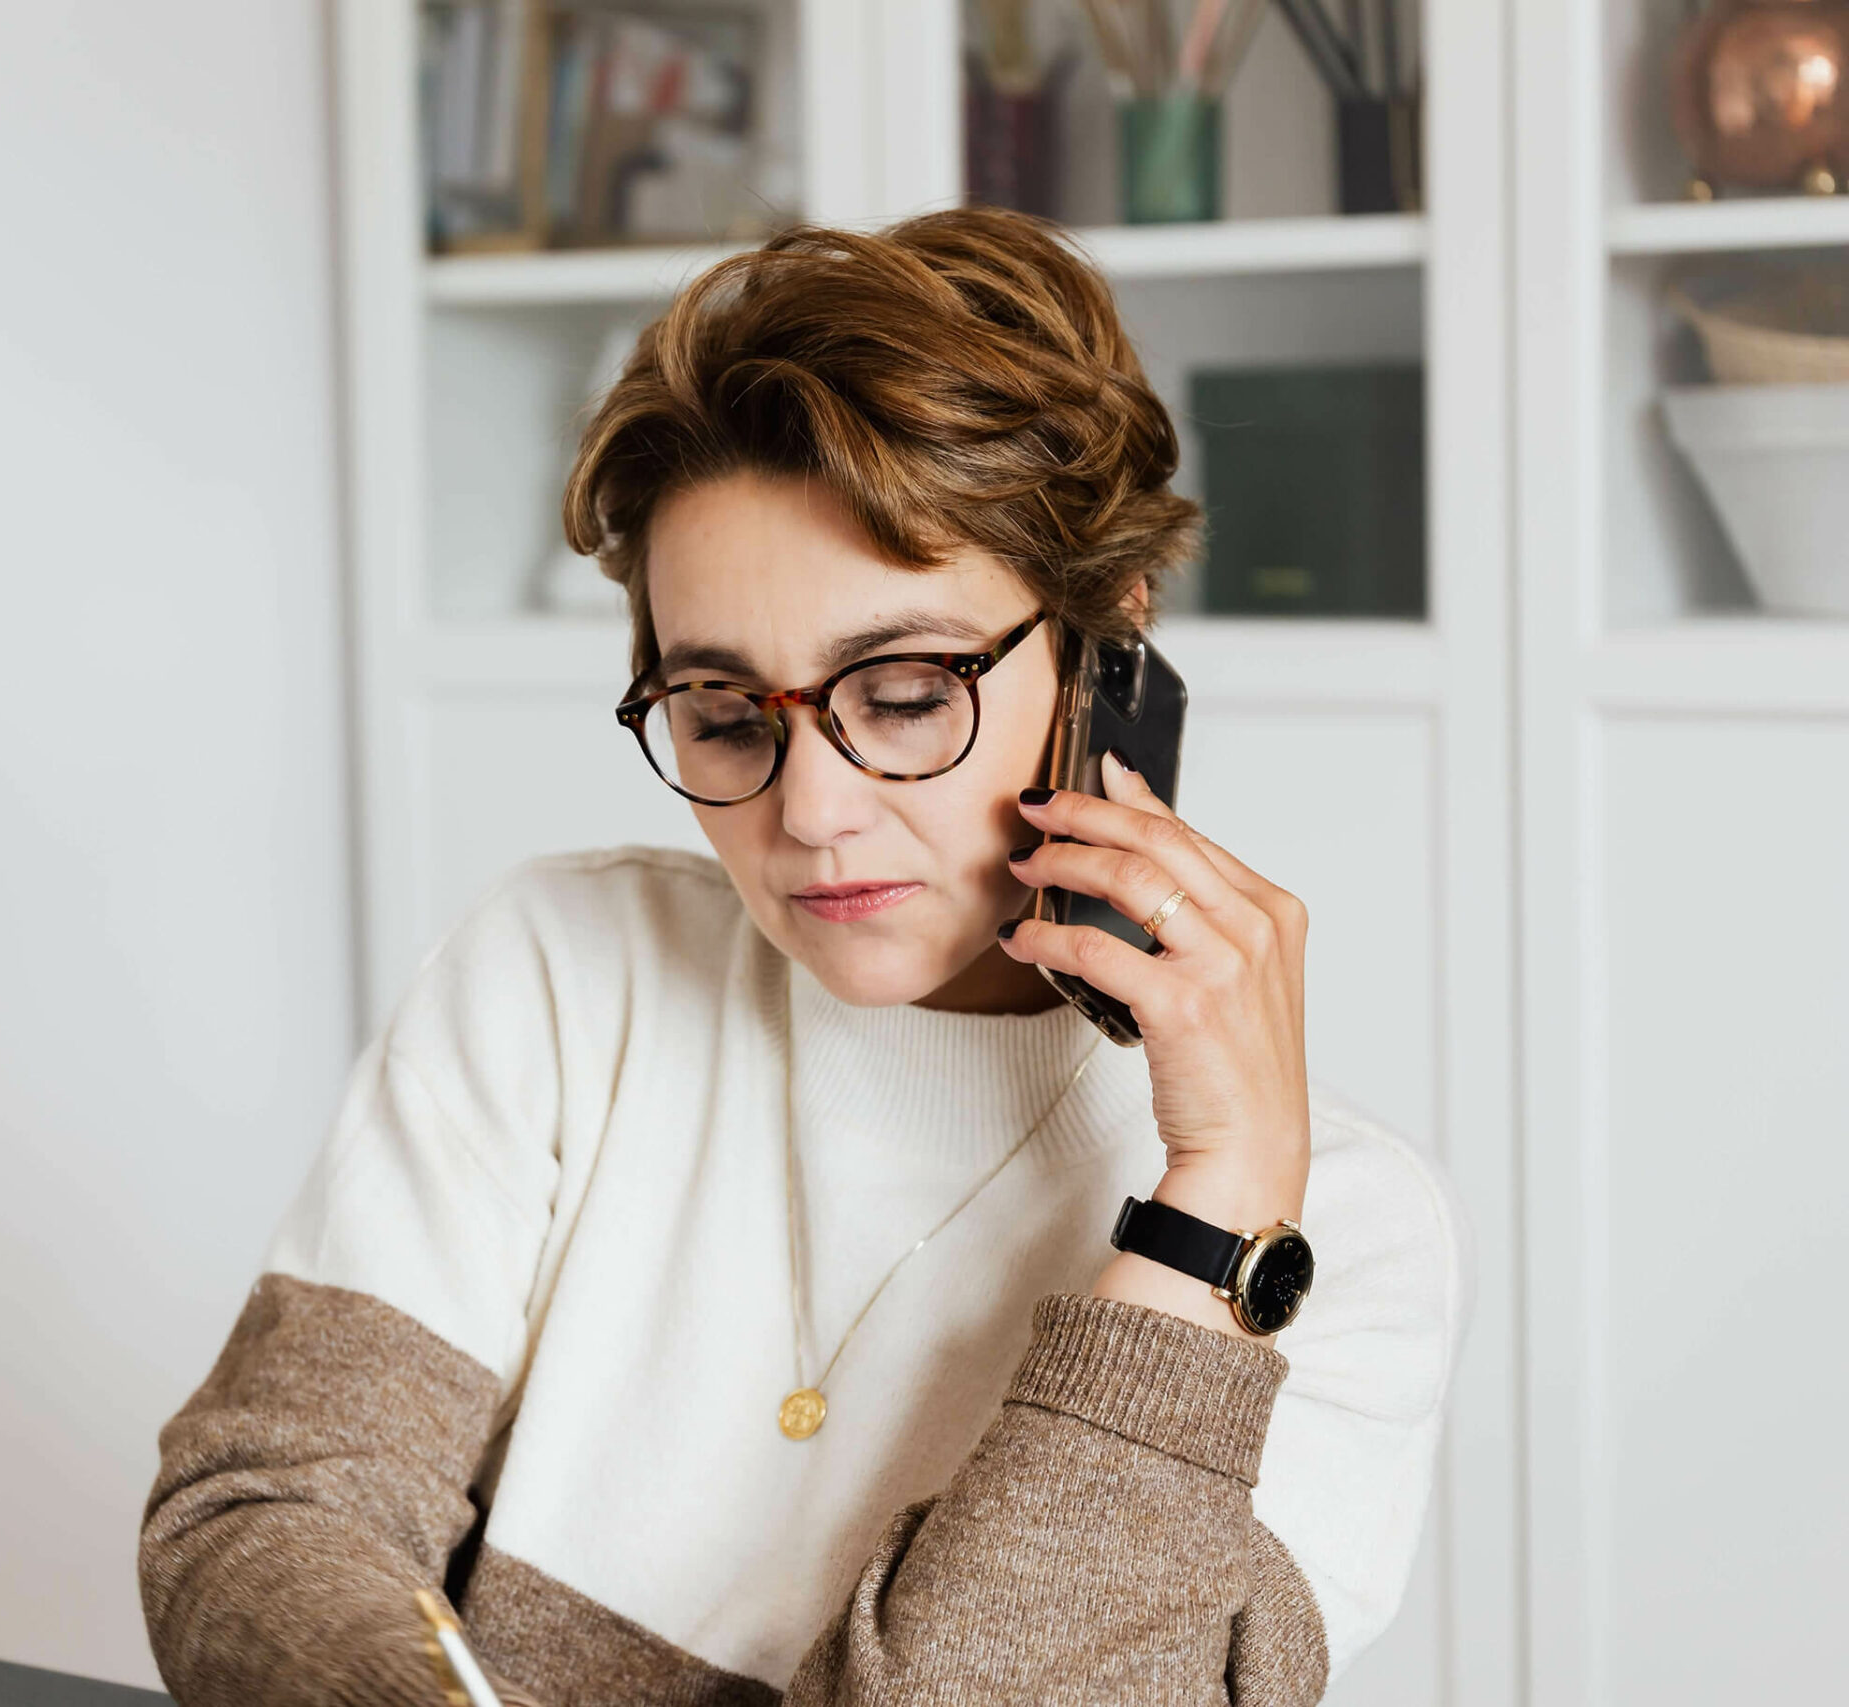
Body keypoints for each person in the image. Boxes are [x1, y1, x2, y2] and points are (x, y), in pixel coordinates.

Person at [138, 206, 1464, 1706]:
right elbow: (261, 1522)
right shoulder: (563, 976)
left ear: (1110, 645)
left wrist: (1213, 1220)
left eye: (903, 696)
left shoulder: (1332, 1241)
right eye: (721, 714)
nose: (812, 815)